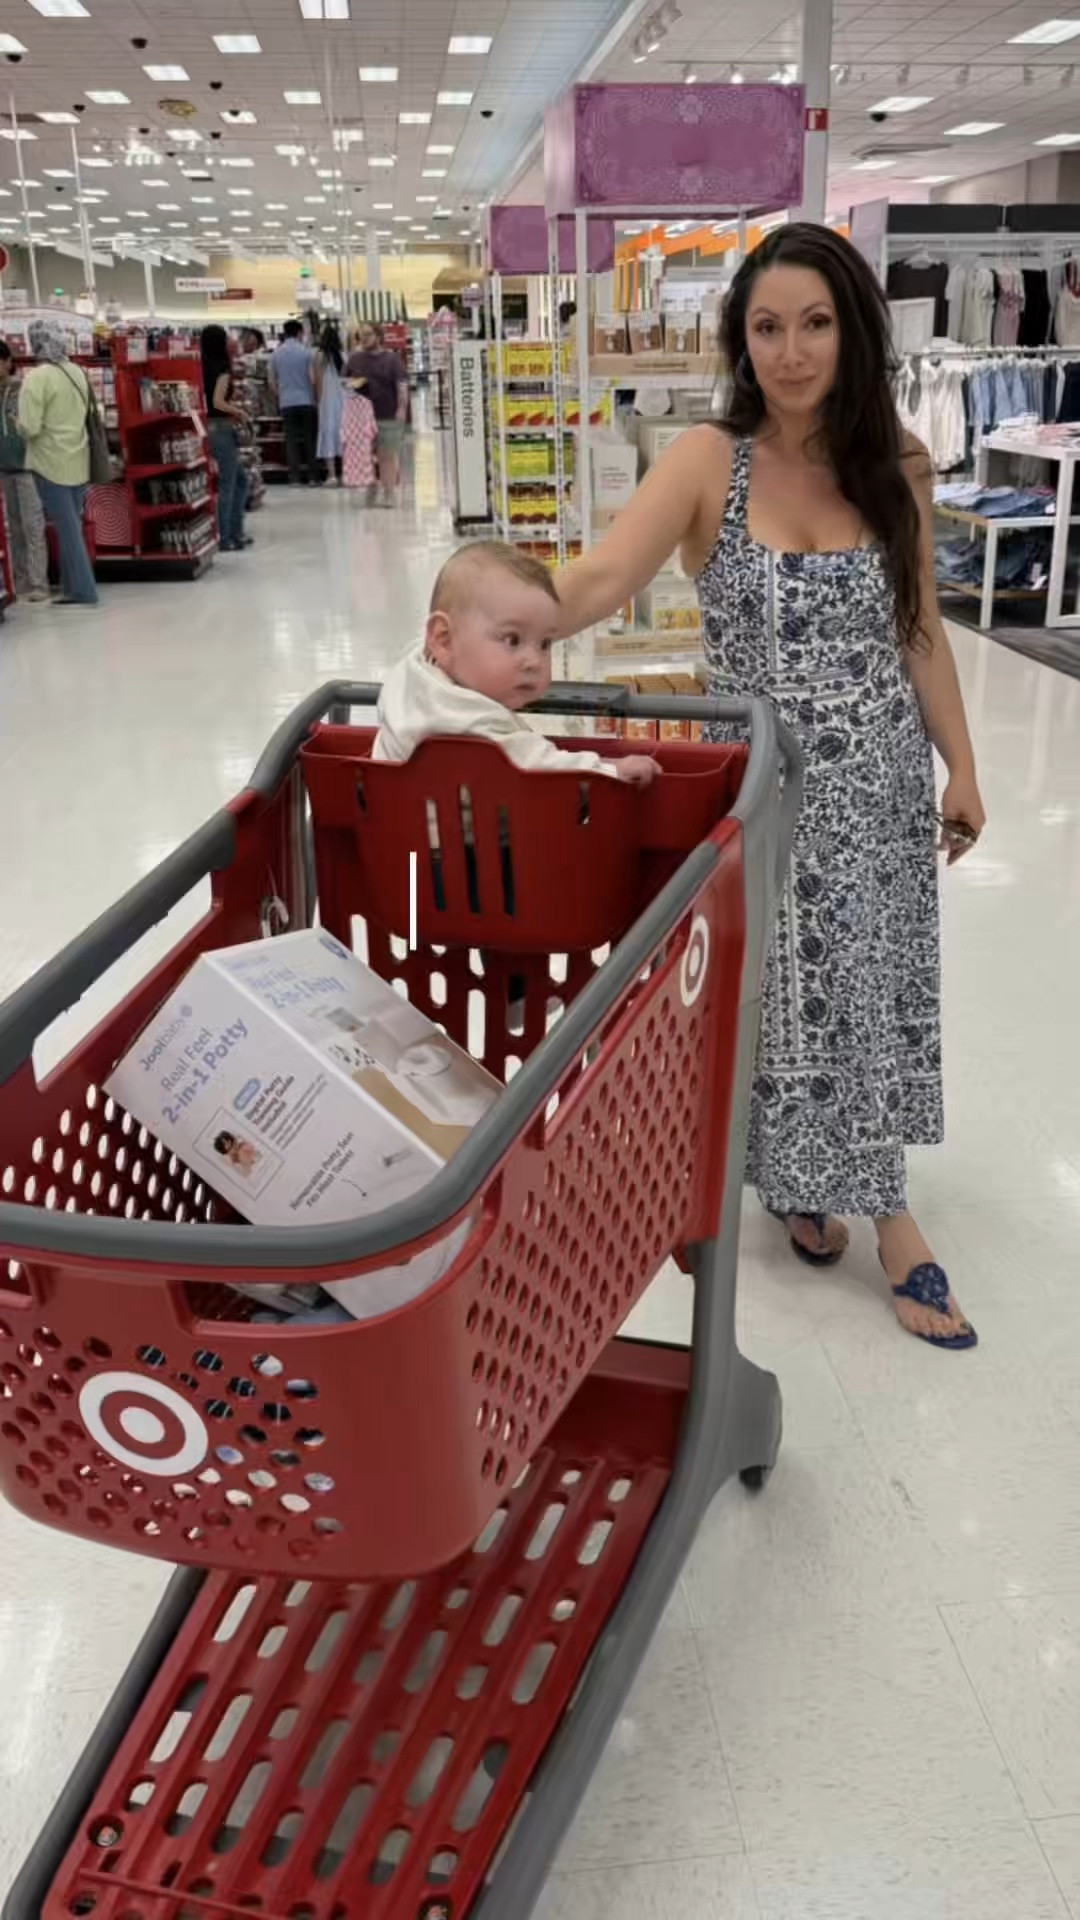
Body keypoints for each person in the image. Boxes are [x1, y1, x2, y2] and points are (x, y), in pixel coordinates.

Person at [555, 224, 987, 1351]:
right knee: (777, 1010)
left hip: (881, 786)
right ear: (740, 342)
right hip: (762, 793)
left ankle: (892, 1215)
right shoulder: (711, 459)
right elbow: (604, 575)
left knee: (868, 997)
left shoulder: (895, 460)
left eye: (814, 324)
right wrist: (492, 630)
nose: (792, 352)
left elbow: (919, 629)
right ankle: (799, 1181)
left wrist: (966, 765)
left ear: (852, 329)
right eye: (766, 327)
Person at [374, 541, 656, 785]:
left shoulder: (409, 678)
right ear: (444, 639)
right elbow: (543, 767)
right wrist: (610, 769)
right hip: (456, 846)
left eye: (545, 644)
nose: (534, 661)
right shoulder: (474, 720)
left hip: (401, 843)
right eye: (512, 640)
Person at [17, 317, 97, 607]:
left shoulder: (36, 378)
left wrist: (17, 423)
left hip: (49, 462)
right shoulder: (76, 371)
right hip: (78, 457)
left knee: (68, 530)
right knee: (71, 525)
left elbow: (30, 426)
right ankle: (72, 588)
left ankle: (84, 591)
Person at [0, 339, 50, 604]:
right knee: (14, 529)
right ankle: (19, 582)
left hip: (27, 467)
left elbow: (35, 424)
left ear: (9, 361)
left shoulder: (24, 389)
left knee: (33, 526)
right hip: (4, 468)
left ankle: (39, 583)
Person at [345, 323, 408, 507]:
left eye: (368, 334)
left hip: (387, 413)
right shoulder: (354, 359)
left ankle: (389, 492)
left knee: (386, 455)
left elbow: (401, 384)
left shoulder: (392, 359)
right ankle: (371, 487)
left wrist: (402, 408)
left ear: (379, 336)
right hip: (361, 416)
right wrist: (352, 385)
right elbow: (345, 381)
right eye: (361, 335)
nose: (364, 338)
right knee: (366, 456)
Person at [200, 324, 249, 554]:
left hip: (208, 427)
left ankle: (235, 532)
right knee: (230, 483)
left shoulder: (201, 366)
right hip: (221, 428)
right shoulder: (222, 368)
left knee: (239, 480)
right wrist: (238, 411)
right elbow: (218, 402)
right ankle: (227, 536)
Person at [270, 318, 318, 485]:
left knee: (290, 440)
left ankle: (295, 477)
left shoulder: (277, 353)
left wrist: (279, 394)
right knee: (309, 439)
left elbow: (271, 380)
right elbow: (313, 378)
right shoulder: (307, 352)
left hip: (286, 402)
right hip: (306, 400)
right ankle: (312, 477)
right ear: (299, 333)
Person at [314, 318, 345, 485]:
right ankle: (347, 473)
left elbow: (318, 382)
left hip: (327, 401)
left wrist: (319, 402)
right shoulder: (344, 356)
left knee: (327, 435)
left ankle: (332, 475)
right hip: (343, 400)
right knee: (344, 435)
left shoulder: (319, 356)